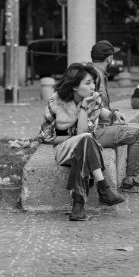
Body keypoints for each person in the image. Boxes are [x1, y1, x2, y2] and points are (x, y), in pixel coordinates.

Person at [38, 63, 125, 221]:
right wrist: (72, 138)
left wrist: (85, 108)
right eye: (87, 83)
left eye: (93, 82)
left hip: (86, 147)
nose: (93, 87)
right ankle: (103, 187)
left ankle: (78, 207)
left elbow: (86, 133)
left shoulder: (94, 101)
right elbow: (44, 136)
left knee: (84, 147)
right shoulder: (55, 103)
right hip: (63, 150)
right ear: (74, 86)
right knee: (84, 141)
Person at [90, 40, 139, 194]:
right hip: (95, 132)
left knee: (136, 129)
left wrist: (113, 112)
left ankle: (132, 179)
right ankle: (131, 181)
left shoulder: (94, 72)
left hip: (96, 127)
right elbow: (93, 105)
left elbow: (98, 105)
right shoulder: (95, 75)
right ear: (108, 58)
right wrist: (111, 115)